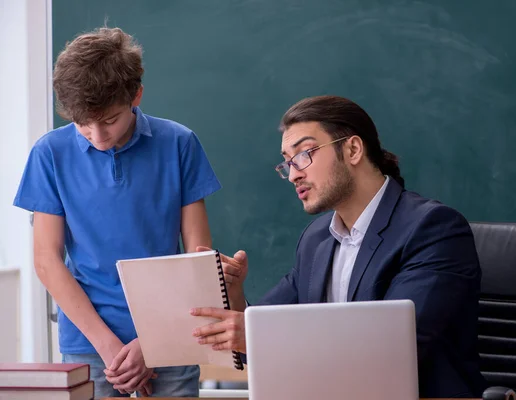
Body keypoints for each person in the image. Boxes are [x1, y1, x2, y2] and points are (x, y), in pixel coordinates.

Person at [191, 95, 488, 398]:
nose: (293, 174)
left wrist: (258, 338)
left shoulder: (433, 229)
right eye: (288, 162)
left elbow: (391, 350)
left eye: (304, 154)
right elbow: (261, 330)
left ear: (353, 149)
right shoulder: (317, 239)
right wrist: (236, 295)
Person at [13, 27, 220, 398]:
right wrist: (110, 347)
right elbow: (47, 260)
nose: (97, 135)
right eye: (82, 123)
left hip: (172, 333)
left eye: (109, 120)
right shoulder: (49, 154)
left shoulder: (179, 144)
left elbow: (197, 257)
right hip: (88, 341)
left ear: (136, 95)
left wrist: (154, 342)